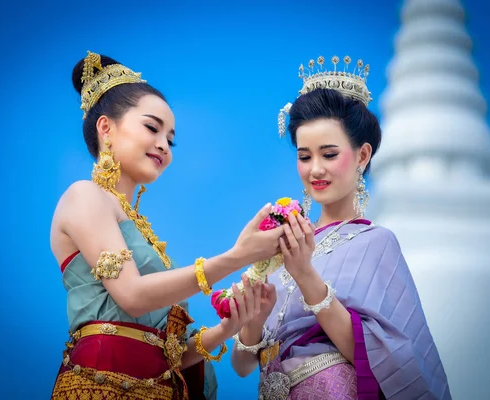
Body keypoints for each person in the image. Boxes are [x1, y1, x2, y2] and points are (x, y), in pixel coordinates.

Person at [49, 51, 285, 400]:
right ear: (105, 127)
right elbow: (131, 296)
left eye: (170, 139)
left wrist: (229, 326)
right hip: (100, 387)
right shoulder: (85, 196)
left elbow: (169, 355)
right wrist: (237, 257)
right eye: (151, 128)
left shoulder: (138, 226)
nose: (163, 145)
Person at [230, 56, 451, 399]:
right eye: (305, 156)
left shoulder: (375, 243)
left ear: (362, 156)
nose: (315, 169)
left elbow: (375, 355)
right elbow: (242, 365)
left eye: (329, 154)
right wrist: (254, 320)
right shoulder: (281, 246)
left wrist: (305, 275)